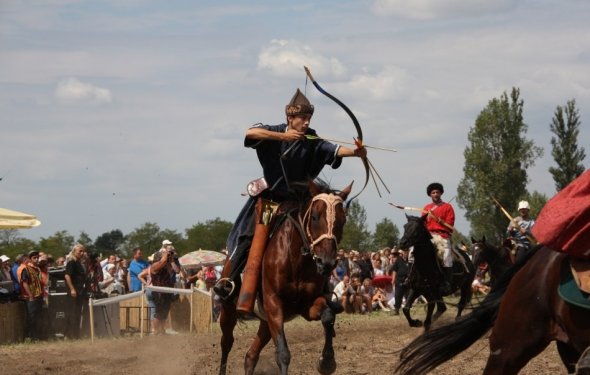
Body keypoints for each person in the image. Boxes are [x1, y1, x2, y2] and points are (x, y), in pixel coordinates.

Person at [215, 88, 367, 307]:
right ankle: (228, 280)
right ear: (290, 118)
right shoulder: (274, 131)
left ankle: (321, 289)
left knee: (320, 234)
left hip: (300, 202)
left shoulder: (311, 137)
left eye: (308, 118)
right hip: (270, 201)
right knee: (249, 235)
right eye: (302, 118)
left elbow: (332, 149)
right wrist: (283, 136)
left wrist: (356, 152)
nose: (306, 123)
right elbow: (250, 133)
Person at [423, 182, 455, 294]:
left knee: (446, 256)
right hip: (429, 236)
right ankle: (412, 278)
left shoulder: (448, 207)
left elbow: (450, 224)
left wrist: (441, 221)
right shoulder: (426, 208)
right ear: (430, 195)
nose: (435, 194)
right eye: (433, 192)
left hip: (442, 235)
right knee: (413, 251)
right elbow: (422, 223)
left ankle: (447, 282)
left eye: (437, 192)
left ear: (440, 193)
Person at [19, 251, 44, 340]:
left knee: (37, 317)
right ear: (30, 259)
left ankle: (37, 336)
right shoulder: (26, 269)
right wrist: (30, 296)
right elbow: (24, 283)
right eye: (34, 258)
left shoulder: (36, 269)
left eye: (37, 257)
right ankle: (30, 337)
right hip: (31, 297)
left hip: (38, 296)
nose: (37, 259)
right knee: (31, 317)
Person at [64, 243, 87, 339]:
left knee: (77, 313)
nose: (82, 253)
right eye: (80, 251)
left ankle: (76, 334)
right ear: (74, 252)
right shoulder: (71, 262)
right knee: (72, 313)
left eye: (83, 251)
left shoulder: (79, 263)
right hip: (74, 291)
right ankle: (70, 335)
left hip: (80, 290)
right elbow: (67, 275)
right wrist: (72, 289)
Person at [390, 248, 410, 315]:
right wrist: (393, 280)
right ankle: (396, 310)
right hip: (399, 280)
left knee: (408, 296)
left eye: (406, 252)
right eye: (404, 252)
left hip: (408, 281)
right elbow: (394, 270)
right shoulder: (398, 260)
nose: (405, 254)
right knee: (398, 296)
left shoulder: (410, 261)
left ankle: (407, 309)